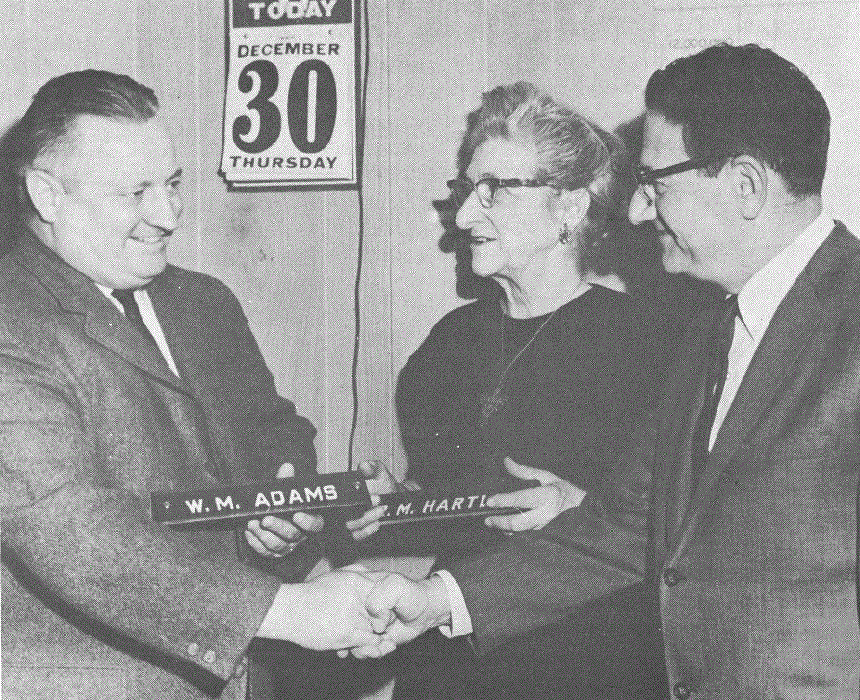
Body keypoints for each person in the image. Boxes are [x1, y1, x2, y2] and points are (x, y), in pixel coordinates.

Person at [356, 44, 860, 700]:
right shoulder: (712, 333)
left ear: (745, 186)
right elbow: (626, 528)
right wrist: (437, 598)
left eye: (656, 184)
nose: (636, 211)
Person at [0, 69, 395, 700]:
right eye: (135, 193)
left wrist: (283, 496)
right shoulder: (11, 319)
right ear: (48, 196)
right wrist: (290, 612)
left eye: (173, 184)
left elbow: (276, 429)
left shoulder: (202, 302)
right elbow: (65, 528)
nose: (168, 215)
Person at [346, 81, 671, 700]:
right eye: (469, 190)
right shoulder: (452, 341)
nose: (467, 216)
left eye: (496, 190)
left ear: (570, 208)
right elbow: (454, 511)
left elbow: (657, 531)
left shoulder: (646, 343)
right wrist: (388, 511)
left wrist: (579, 504)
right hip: (448, 664)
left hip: (580, 667)